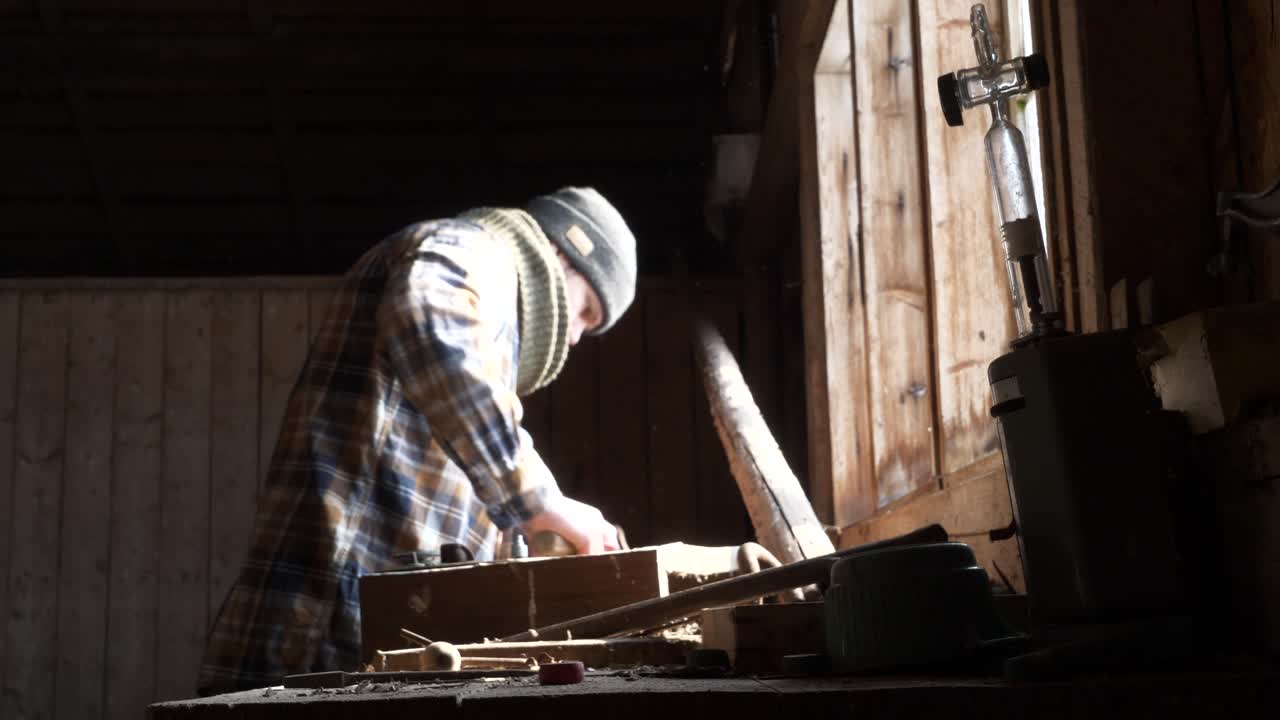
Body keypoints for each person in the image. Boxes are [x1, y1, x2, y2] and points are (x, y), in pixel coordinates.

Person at [198, 187, 637, 693]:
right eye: (586, 312)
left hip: (362, 640)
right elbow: (425, 309)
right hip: (320, 635)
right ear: (561, 255)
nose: (576, 337)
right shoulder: (474, 252)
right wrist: (541, 500)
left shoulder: (486, 354)